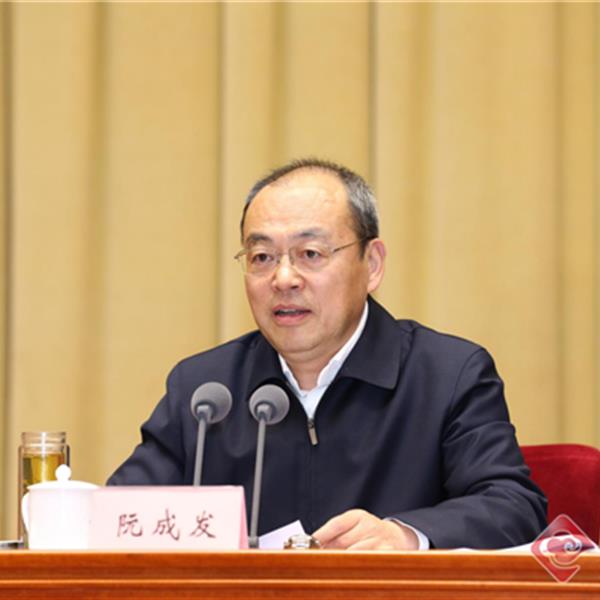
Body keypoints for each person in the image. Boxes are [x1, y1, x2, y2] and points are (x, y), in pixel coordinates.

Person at [108, 158, 547, 549]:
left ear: (372, 265)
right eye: (261, 257)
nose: (283, 278)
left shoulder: (447, 375)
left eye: (310, 253)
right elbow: (118, 517)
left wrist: (405, 535)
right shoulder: (205, 390)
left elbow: (512, 506)